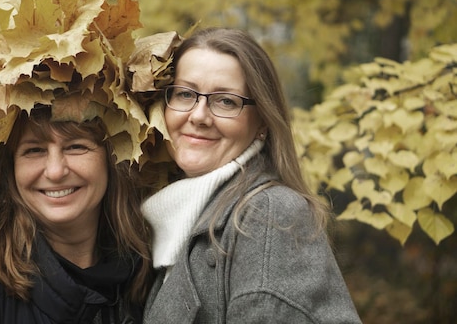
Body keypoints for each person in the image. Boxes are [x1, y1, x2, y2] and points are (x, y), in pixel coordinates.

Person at [141, 28, 361, 323]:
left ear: (262, 122)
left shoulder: (269, 214)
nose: (198, 116)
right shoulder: (170, 220)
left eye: (226, 101)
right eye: (185, 94)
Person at [0, 106, 152, 323]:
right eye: (34, 150)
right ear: (12, 171)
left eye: (76, 146)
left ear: (113, 160)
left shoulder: (150, 290)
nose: (56, 171)